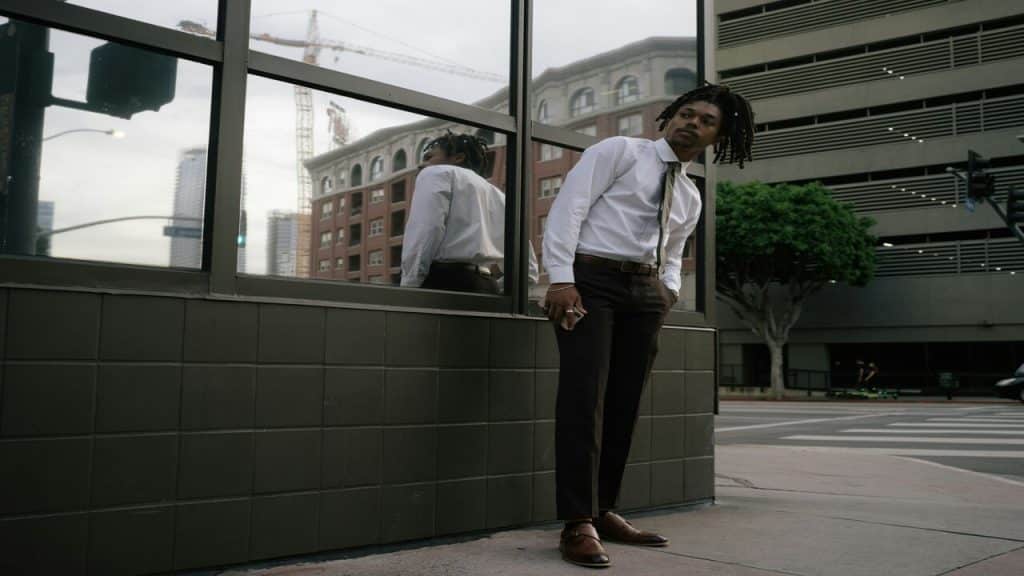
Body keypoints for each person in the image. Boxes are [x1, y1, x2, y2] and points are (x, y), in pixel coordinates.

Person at [542, 83, 755, 568]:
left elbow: (674, 252)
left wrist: (668, 293)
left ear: (718, 137)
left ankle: (603, 509)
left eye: (706, 121)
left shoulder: (690, 195)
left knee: (624, 403)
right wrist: (561, 279)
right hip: (590, 282)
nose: (692, 123)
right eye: (687, 113)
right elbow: (568, 210)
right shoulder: (619, 152)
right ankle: (577, 522)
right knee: (583, 400)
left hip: (644, 293)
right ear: (671, 115)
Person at [400, 131, 537, 293]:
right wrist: (493, 289)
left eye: (429, 157)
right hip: (486, 285)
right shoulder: (498, 196)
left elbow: (427, 229)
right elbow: (528, 270)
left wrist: (409, 285)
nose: (421, 165)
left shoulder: (436, 173)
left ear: (458, 158)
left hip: (443, 282)